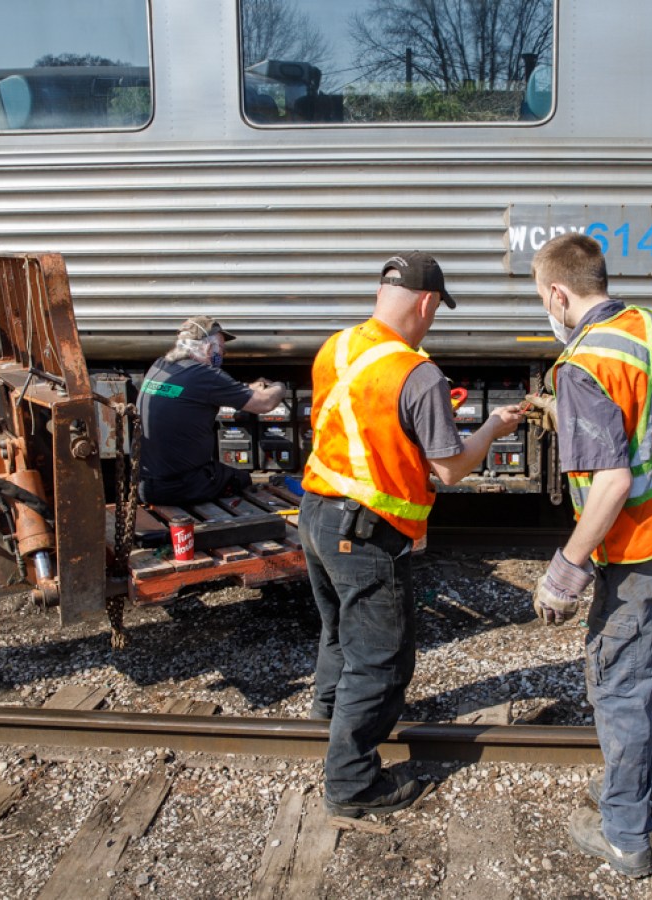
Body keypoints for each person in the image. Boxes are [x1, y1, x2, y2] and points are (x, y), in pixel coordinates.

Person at [299, 251, 524, 818]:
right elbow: (449, 470)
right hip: (366, 531)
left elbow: (361, 426)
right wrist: (493, 426)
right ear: (426, 303)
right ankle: (352, 783)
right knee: (381, 658)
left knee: (338, 629)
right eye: (435, 310)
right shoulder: (418, 374)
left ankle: (326, 717)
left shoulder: (339, 345)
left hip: (316, 513)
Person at [530, 233, 652, 878]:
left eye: (541, 298)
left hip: (638, 547)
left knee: (619, 688)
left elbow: (611, 482)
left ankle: (624, 835)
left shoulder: (584, 363)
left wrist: (566, 570)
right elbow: (647, 416)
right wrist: (571, 414)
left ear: (557, 292)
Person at [137, 315, 286, 506]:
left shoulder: (161, 367)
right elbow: (264, 404)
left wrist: (245, 388)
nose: (222, 356)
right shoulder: (204, 374)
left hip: (148, 484)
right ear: (208, 348)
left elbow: (198, 392)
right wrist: (280, 387)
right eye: (222, 351)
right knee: (240, 478)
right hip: (181, 487)